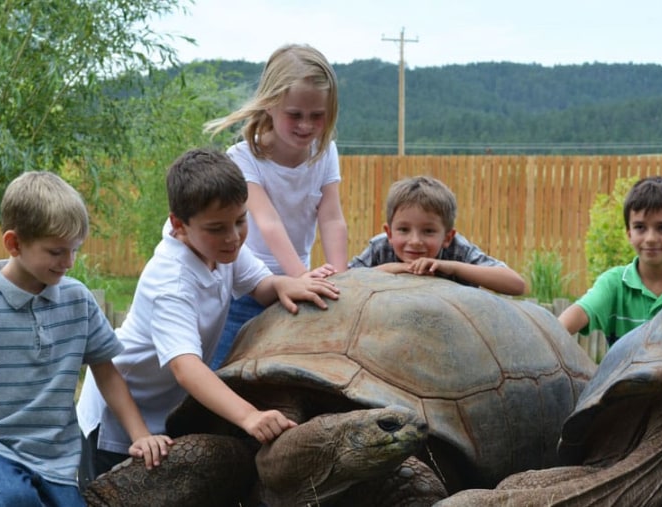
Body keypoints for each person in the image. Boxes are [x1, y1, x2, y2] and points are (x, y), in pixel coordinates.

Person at [76, 147, 340, 481]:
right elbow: (186, 368)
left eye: (241, 221)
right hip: (121, 418)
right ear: (179, 225)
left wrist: (284, 284)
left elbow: (258, 284)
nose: (233, 237)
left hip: (164, 410)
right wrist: (249, 416)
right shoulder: (171, 281)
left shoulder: (217, 248)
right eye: (217, 228)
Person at [0, 172, 172, 507]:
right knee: (15, 500)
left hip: (56, 459)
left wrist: (140, 434)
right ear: (14, 244)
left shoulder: (78, 299)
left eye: (74, 250)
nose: (69, 262)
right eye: (57, 251)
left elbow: (106, 371)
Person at [204, 43, 348, 369]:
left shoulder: (325, 153)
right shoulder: (243, 159)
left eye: (317, 116)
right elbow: (267, 221)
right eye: (294, 115)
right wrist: (299, 275)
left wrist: (340, 277)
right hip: (248, 289)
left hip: (300, 289)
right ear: (269, 105)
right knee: (223, 370)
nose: (306, 125)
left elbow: (332, 217)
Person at [558, 175, 662, 345]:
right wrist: (547, 339)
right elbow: (569, 321)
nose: (651, 238)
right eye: (640, 227)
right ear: (629, 234)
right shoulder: (614, 284)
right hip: (623, 372)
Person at [348, 175, 526, 295]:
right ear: (389, 233)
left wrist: (450, 267)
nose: (415, 241)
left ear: (448, 237)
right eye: (403, 229)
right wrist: (393, 269)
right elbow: (344, 280)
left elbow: (516, 285)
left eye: (428, 231)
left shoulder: (459, 250)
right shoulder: (381, 247)